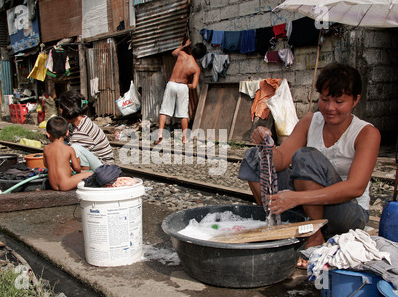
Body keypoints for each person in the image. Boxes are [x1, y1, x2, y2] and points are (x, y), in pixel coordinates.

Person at [238, 63, 381, 268]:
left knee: (306, 157)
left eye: (339, 101)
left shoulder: (367, 133)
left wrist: (296, 198)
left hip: (346, 213)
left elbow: (355, 187)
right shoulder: (309, 121)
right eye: (324, 99)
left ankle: (314, 238)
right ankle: (276, 224)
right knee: (255, 157)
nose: (330, 107)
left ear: (355, 100)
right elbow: (280, 160)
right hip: (305, 205)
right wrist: (265, 144)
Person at [155, 39, 207, 144]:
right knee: (183, 113)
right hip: (183, 86)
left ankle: (160, 134)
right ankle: (184, 138)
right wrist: (186, 85)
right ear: (201, 56)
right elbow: (193, 86)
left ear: (192, 49)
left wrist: (184, 46)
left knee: (164, 110)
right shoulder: (196, 68)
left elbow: (173, 52)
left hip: (172, 84)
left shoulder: (182, 54)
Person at [58, 90, 114, 166]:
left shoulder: (83, 131)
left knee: (72, 149)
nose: (60, 112)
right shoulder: (75, 125)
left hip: (104, 169)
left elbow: (71, 155)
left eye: (61, 109)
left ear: (67, 109)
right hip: (95, 163)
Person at [43, 116, 94, 191]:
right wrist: (77, 170)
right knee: (91, 174)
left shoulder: (46, 148)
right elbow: (77, 168)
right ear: (67, 133)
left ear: (48, 134)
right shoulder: (69, 149)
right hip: (65, 184)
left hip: (53, 185)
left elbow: (46, 164)